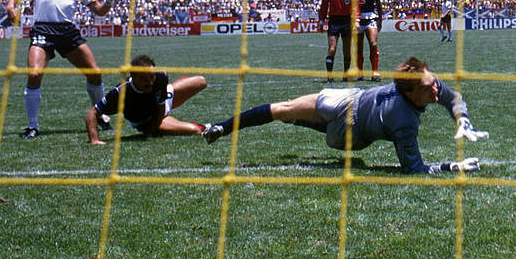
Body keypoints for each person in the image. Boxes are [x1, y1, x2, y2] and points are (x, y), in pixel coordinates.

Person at [201, 56, 486, 175]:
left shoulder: (426, 85)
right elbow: (415, 170)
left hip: (352, 128)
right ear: (410, 94)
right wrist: (453, 166)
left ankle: (299, 120)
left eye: (434, 84)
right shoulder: (405, 120)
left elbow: (452, 98)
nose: (436, 91)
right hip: (350, 106)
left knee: (294, 116)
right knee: (283, 109)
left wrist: (462, 119)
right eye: (429, 89)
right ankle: (221, 129)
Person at [6, 0, 119, 139]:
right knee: (34, 74)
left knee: (95, 73)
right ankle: (32, 126)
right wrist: (10, 6)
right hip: (43, 30)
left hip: (67, 31)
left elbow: (100, 11)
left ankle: (100, 115)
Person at [84, 54, 208, 144]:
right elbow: (92, 113)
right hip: (148, 120)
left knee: (201, 81)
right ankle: (208, 127)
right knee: (195, 130)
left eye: (151, 76)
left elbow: (160, 105)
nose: (149, 82)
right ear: (133, 76)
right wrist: (94, 140)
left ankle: (173, 89)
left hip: (162, 104)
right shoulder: (121, 92)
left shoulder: (160, 77)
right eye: (144, 78)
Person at [318, 0, 355, 82]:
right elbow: (324, 6)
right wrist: (321, 20)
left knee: (346, 49)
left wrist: (357, 19)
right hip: (333, 21)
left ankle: (346, 74)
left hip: (347, 21)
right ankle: (329, 75)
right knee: (332, 48)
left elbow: (355, 6)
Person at [353, 0, 384, 81]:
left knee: (373, 43)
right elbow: (348, 2)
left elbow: (379, 4)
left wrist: (380, 20)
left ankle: (375, 72)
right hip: (358, 19)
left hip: (370, 17)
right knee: (359, 47)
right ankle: (360, 72)